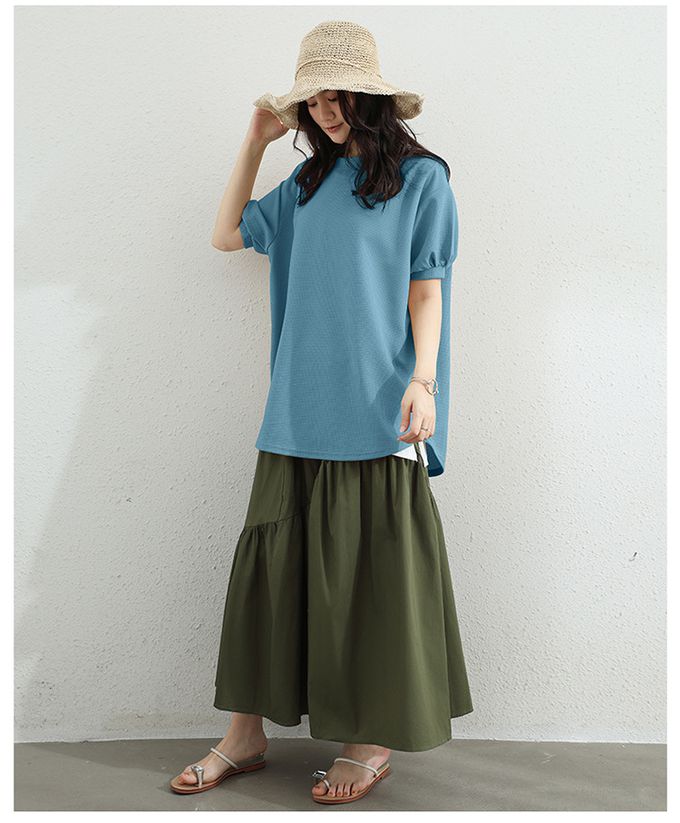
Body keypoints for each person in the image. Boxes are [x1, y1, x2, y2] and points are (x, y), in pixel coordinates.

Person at [170, 19, 473, 805]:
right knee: (271, 576)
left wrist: (424, 382)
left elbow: (427, 288)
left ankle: (368, 743)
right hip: (296, 411)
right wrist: (255, 141)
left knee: (374, 581)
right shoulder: (305, 185)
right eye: (314, 99)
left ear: (371, 97)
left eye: (339, 95)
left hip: (379, 409)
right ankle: (245, 734)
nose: (327, 110)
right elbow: (226, 234)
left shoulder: (423, 180)